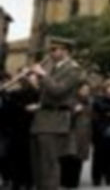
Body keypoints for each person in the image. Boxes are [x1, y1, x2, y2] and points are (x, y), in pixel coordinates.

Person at [29, 36, 85, 190]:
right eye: (50, 50)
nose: (51, 53)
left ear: (65, 51)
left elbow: (58, 91)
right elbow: (46, 93)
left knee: (49, 164)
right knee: (38, 164)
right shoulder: (53, 68)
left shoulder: (73, 69)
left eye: (54, 49)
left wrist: (42, 75)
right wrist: (35, 83)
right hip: (42, 118)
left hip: (56, 120)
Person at [60, 81, 92, 189]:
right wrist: (74, 111)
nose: (86, 92)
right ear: (78, 90)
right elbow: (64, 117)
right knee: (71, 156)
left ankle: (74, 181)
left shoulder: (89, 102)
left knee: (79, 158)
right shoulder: (71, 101)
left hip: (84, 133)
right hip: (73, 132)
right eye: (83, 90)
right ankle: (67, 181)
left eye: (87, 90)